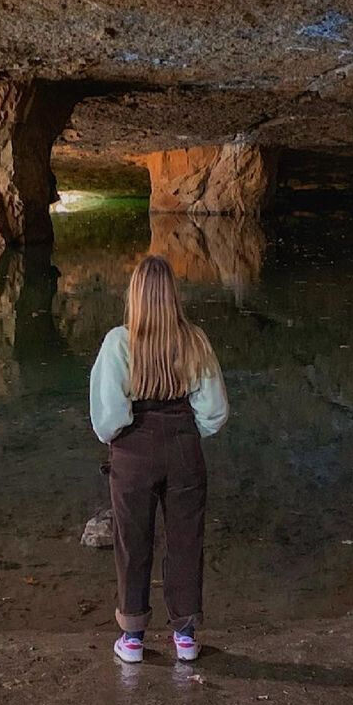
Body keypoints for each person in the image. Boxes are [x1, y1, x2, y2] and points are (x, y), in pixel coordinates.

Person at [89, 254, 228, 665]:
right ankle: (185, 636)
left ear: (135, 295)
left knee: (132, 542)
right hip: (184, 448)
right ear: (173, 296)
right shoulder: (195, 340)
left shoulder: (119, 342)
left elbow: (108, 417)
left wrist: (124, 438)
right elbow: (215, 412)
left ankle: (132, 637)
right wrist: (185, 432)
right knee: (186, 539)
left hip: (134, 451)